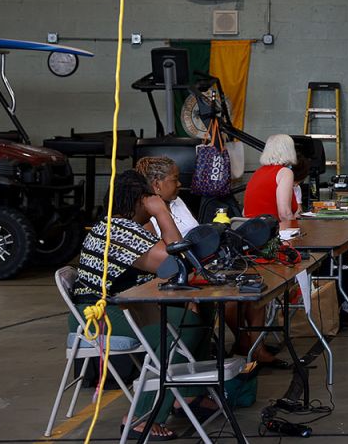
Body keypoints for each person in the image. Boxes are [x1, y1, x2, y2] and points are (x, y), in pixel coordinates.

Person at [69, 170, 211, 440]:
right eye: (151, 196)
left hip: (125, 306)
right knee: (181, 328)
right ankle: (140, 416)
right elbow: (176, 262)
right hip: (97, 316)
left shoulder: (126, 228)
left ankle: (189, 395)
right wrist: (161, 213)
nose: (156, 199)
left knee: (201, 311)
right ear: (140, 201)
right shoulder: (118, 232)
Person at [243, 134, 304, 223]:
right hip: (271, 231)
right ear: (290, 151)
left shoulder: (258, 172)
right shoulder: (285, 172)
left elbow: (244, 212)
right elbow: (284, 214)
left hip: (251, 229)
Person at [135, 155, 199, 237]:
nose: (179, 184)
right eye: (175, 180)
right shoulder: (144, 215)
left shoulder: (176, 200)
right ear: (157, 184)